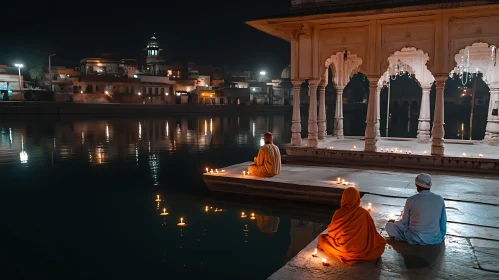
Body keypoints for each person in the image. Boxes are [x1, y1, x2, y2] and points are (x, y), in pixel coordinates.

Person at [317, 187, 386, 265]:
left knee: (322, 239)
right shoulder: (364, 213)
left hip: (343, 249)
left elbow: (331, 232)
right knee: (378, 246)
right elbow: (372, 233)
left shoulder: (339, 213)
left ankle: (346, 253)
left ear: (344, 198)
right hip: (361, 249)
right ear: (357, 198)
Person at [385, 173, 447, 245]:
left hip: (415, 237)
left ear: (417, 186)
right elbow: (443, 222)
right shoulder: (439, 199)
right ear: (430, 186)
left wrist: (393, 223)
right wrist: (440, 236)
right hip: (434, 238)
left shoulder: (411, 200)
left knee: (389, 226)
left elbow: (404, 223)